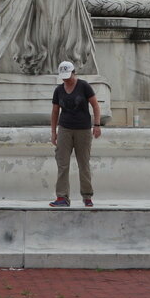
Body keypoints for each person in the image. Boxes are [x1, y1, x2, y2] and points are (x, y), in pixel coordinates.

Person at [49, 60, 103, 207]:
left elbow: (95, 105)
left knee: (83, 163)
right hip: (65, 129)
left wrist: (96, 124)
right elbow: (55, 112)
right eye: (64, 76)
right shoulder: (58, 90)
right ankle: (62, 197)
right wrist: (54, 132)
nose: (66, 79)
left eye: (69, 75)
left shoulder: (84, 86)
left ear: (74, 73)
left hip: (83, 129)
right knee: (62, 163)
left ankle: (87, 195)